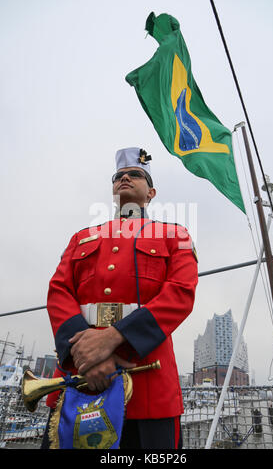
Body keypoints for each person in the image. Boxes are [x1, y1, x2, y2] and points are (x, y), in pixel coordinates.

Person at [42, 147, 198, 449]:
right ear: (113, 189)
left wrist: (113, 338)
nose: (124, 177)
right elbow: (58, 291)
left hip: (146, 380)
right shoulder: (81, 237)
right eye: (118, 176)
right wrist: (84, 355)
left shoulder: (175, 234)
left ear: (151, 192)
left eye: (135, 174)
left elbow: (180, 293)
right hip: (80, 373)